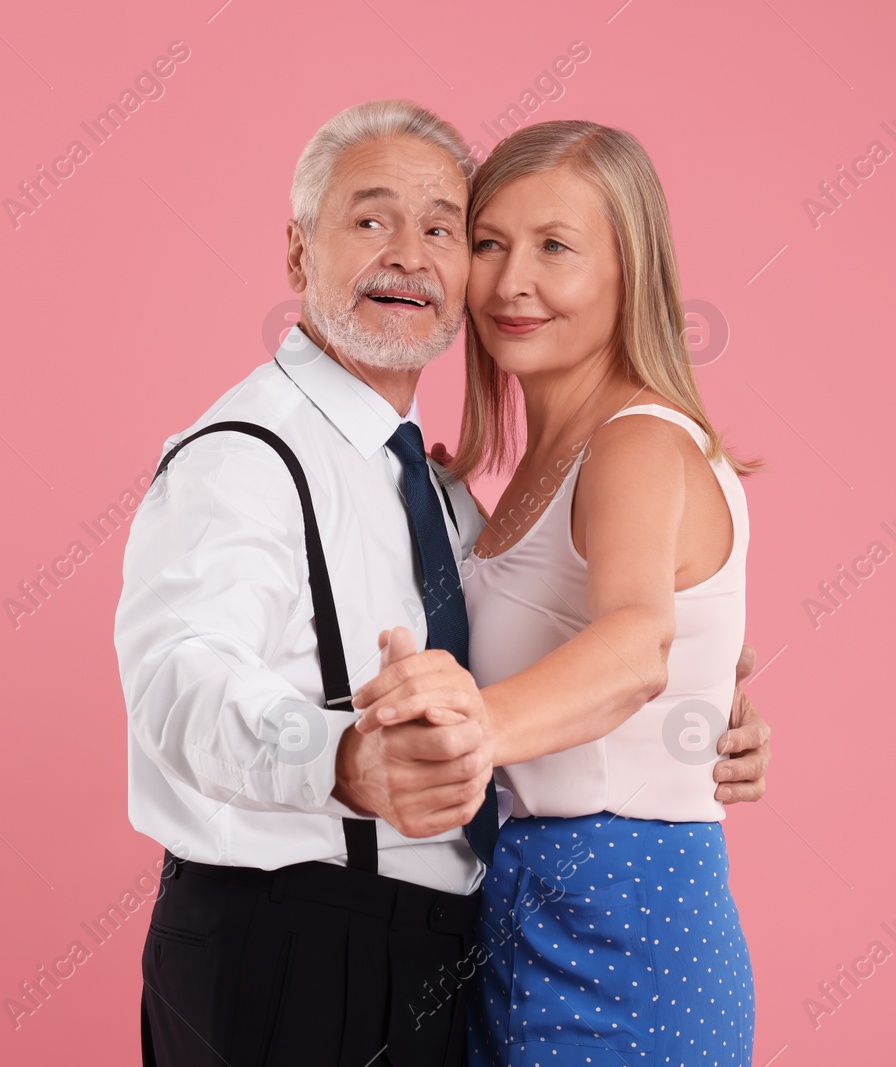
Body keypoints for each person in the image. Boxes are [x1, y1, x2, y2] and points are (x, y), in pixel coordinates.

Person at [115, 100, 770, 1067]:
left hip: (491, 939)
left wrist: (697, 699)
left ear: (631, 270)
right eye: (372, 220)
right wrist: (337, 756)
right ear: (298, 256)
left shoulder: (444, 483)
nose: (418, 258)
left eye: (441, 229)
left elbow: (634, 641)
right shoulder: (247, 457)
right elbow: (179, 678)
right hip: (293, 945)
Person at [353, 119, 761, 1064]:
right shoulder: (539, 465)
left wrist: (473, 736)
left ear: (632, 273)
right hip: (519, 906)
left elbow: (636, 643)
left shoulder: (637, 441)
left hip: (627, 915)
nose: (509, 282)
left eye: (556, 248)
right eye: (488, 243)